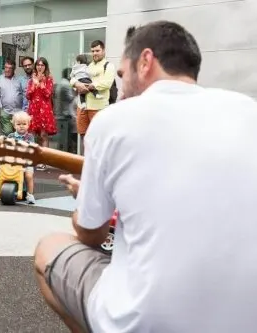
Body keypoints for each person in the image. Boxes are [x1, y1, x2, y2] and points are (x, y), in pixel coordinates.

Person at [34, 20, 257, 333]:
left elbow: (92, 236)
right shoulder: (247, 110)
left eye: (123, 76)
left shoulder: (114, 119)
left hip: (146, 321)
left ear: (146, 61)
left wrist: (85, 200)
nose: (122, 89)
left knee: (48, 247)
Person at [71, 40, 115, 138]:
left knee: (98, 137)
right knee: (84, 136)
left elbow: (107, 83)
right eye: (93, 51)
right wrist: (77, 84)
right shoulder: (88, 66)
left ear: (103, 51)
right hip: (82, 107)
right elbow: (73, 78)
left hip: (98, 108)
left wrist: (89, 86)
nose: (94, 53)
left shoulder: (108, 66)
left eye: (97, 50)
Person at [26, 57, 57, 171]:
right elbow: (28, 95)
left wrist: (41, 83)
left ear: (45, 67)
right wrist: (34, 84)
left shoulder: (49, 79)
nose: (40, 67)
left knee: (44, 135)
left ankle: (44, 160)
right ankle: (35, 159)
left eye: (42, 65)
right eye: (38, 65)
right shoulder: (31, 80)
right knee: (33, 135)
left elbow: (48, 94)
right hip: (34, 109)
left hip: (45, 110)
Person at [6, 111, 36, 204]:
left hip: (27, 162)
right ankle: (5, 190)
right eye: (18, 124)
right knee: (6, 173)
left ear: (28, 125)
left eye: (24, 124)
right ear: (14, 125)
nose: (21, 126)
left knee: (28, 175)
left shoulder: (30, 137)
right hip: (14, 162)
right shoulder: (11, 136)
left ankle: (30, 194)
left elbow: (31, 148)